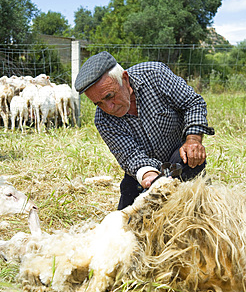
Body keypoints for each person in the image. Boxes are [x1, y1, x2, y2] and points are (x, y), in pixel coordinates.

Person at [75, 51, 215, 210]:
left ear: (125, 79)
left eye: (109, 96)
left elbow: (192, 103)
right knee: (128, 219)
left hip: (178, 159)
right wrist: (150, 177)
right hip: (143, 172)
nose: (109, 107)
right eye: (99, 103)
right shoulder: (103, 119)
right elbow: (129, 155)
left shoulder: (155, 75)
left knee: (190, 173)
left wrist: (193, 140)